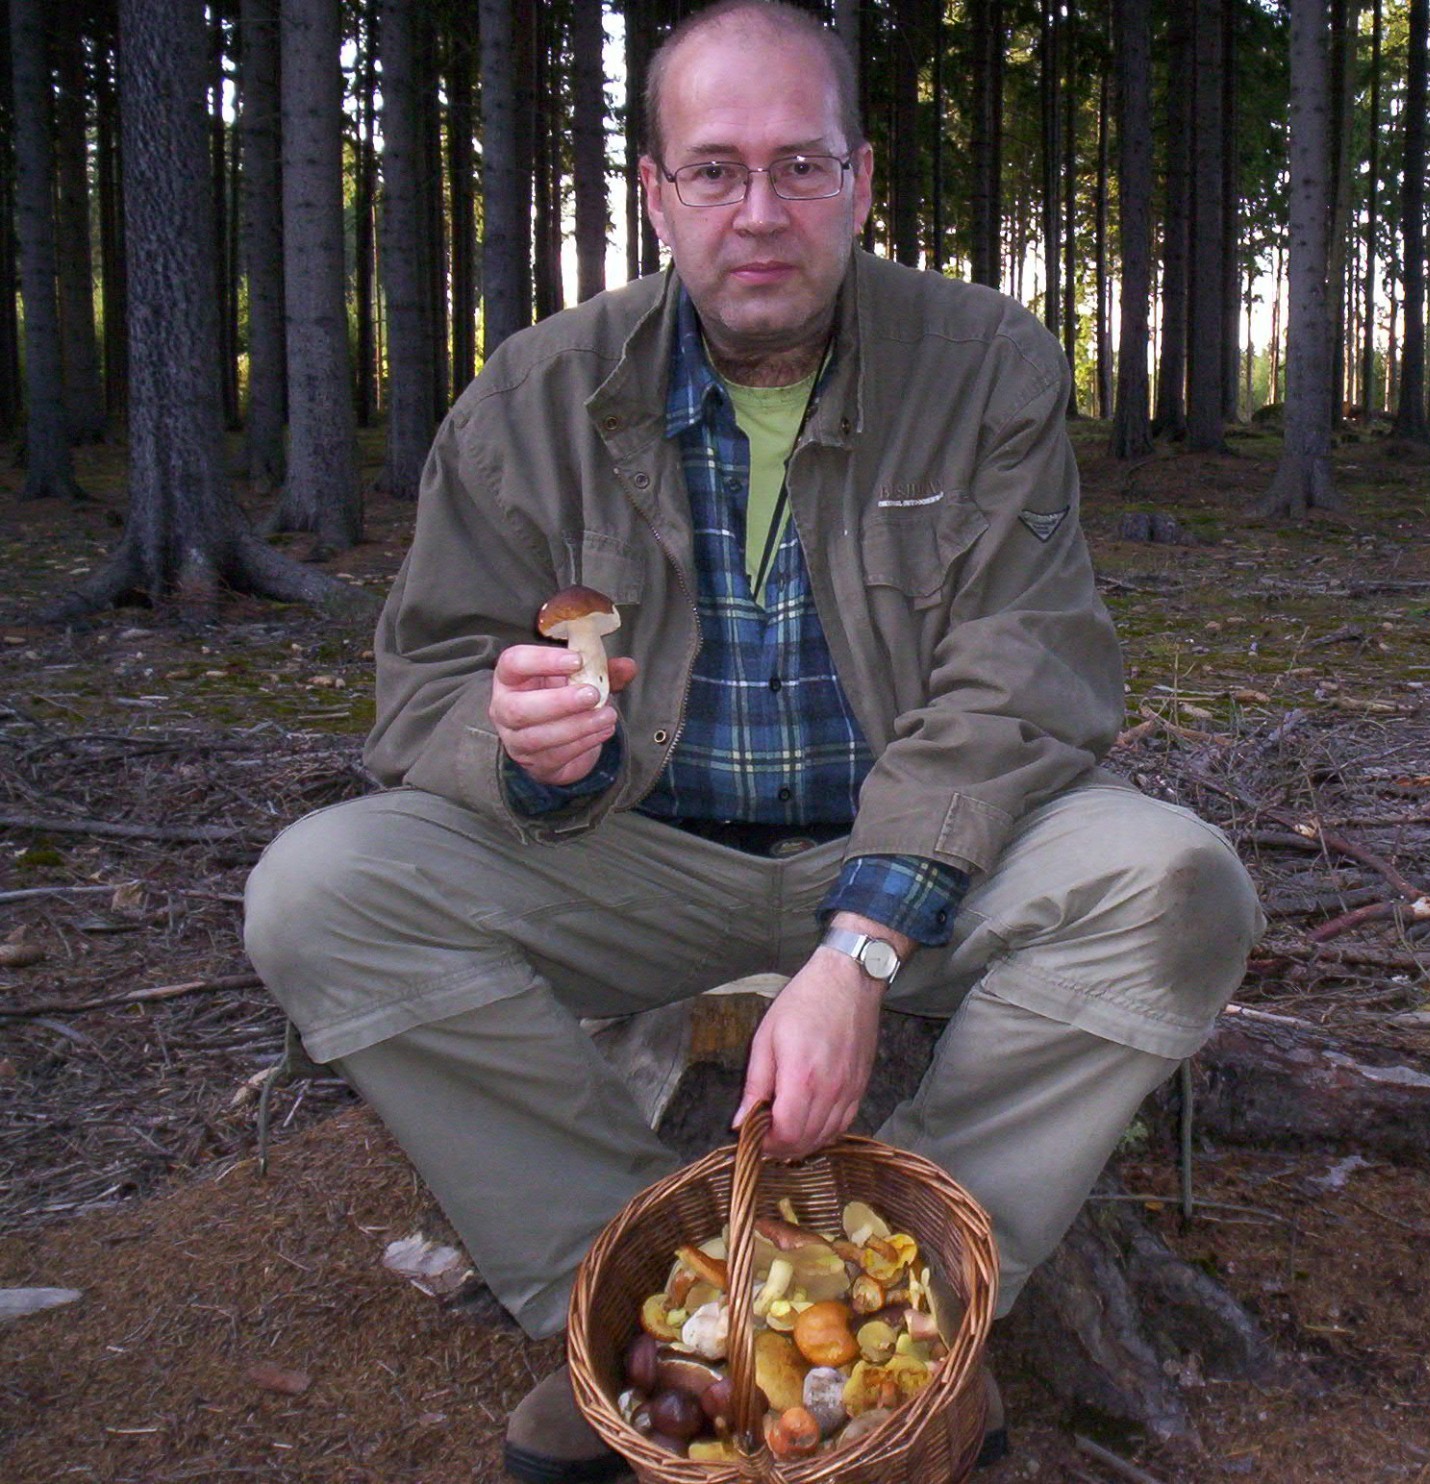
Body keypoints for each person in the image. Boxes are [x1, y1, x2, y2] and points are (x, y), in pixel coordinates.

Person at [243, 2, 1261, 1478]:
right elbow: (426, 682)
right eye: (715, 170)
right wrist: (519, 745)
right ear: (656, 194)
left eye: (802, 165)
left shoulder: (983, 364)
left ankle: (912, 1306)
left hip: (919, 852)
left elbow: (1021, 675)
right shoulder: (535, 395)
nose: (761, 211)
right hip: (629, 855)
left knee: (1177, 886)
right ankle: (639, 1316)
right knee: (320, 891)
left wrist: (860, 950)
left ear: (862, 181)